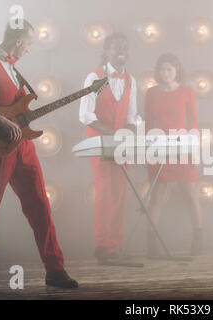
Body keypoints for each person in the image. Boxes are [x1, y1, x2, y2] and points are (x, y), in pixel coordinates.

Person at [0, 19, 78, 295]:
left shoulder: (13, 67)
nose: (29, 49)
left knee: (40, 205)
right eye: (29, 44)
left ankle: (55, 270)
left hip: (23, 146)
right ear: (18, 41)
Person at [79, 33, 140, 264]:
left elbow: (132, 114)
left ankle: (115, 246)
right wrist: (109, 132)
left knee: (120, 193)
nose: (121, 50)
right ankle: (101, 245)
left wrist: (130, 132)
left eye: (125, 46)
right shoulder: (93, 77)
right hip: (101, 142)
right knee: (104, 193)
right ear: (107, 50)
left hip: (121, 142)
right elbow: (86, 114)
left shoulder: (131, 80)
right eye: (117, 47)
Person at [144, 53, 202, 257]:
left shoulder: (187, 92)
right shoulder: (151, 93)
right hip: (158, 147)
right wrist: (148, 150)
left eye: (169, 69)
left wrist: (194, 150)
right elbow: (148, 124)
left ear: (176, 70)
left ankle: (197, 239)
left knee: (190, 193)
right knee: (157, 196)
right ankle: (151, 244)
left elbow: (193, 123)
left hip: (182, 146)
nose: (165, 73)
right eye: (161, 69)